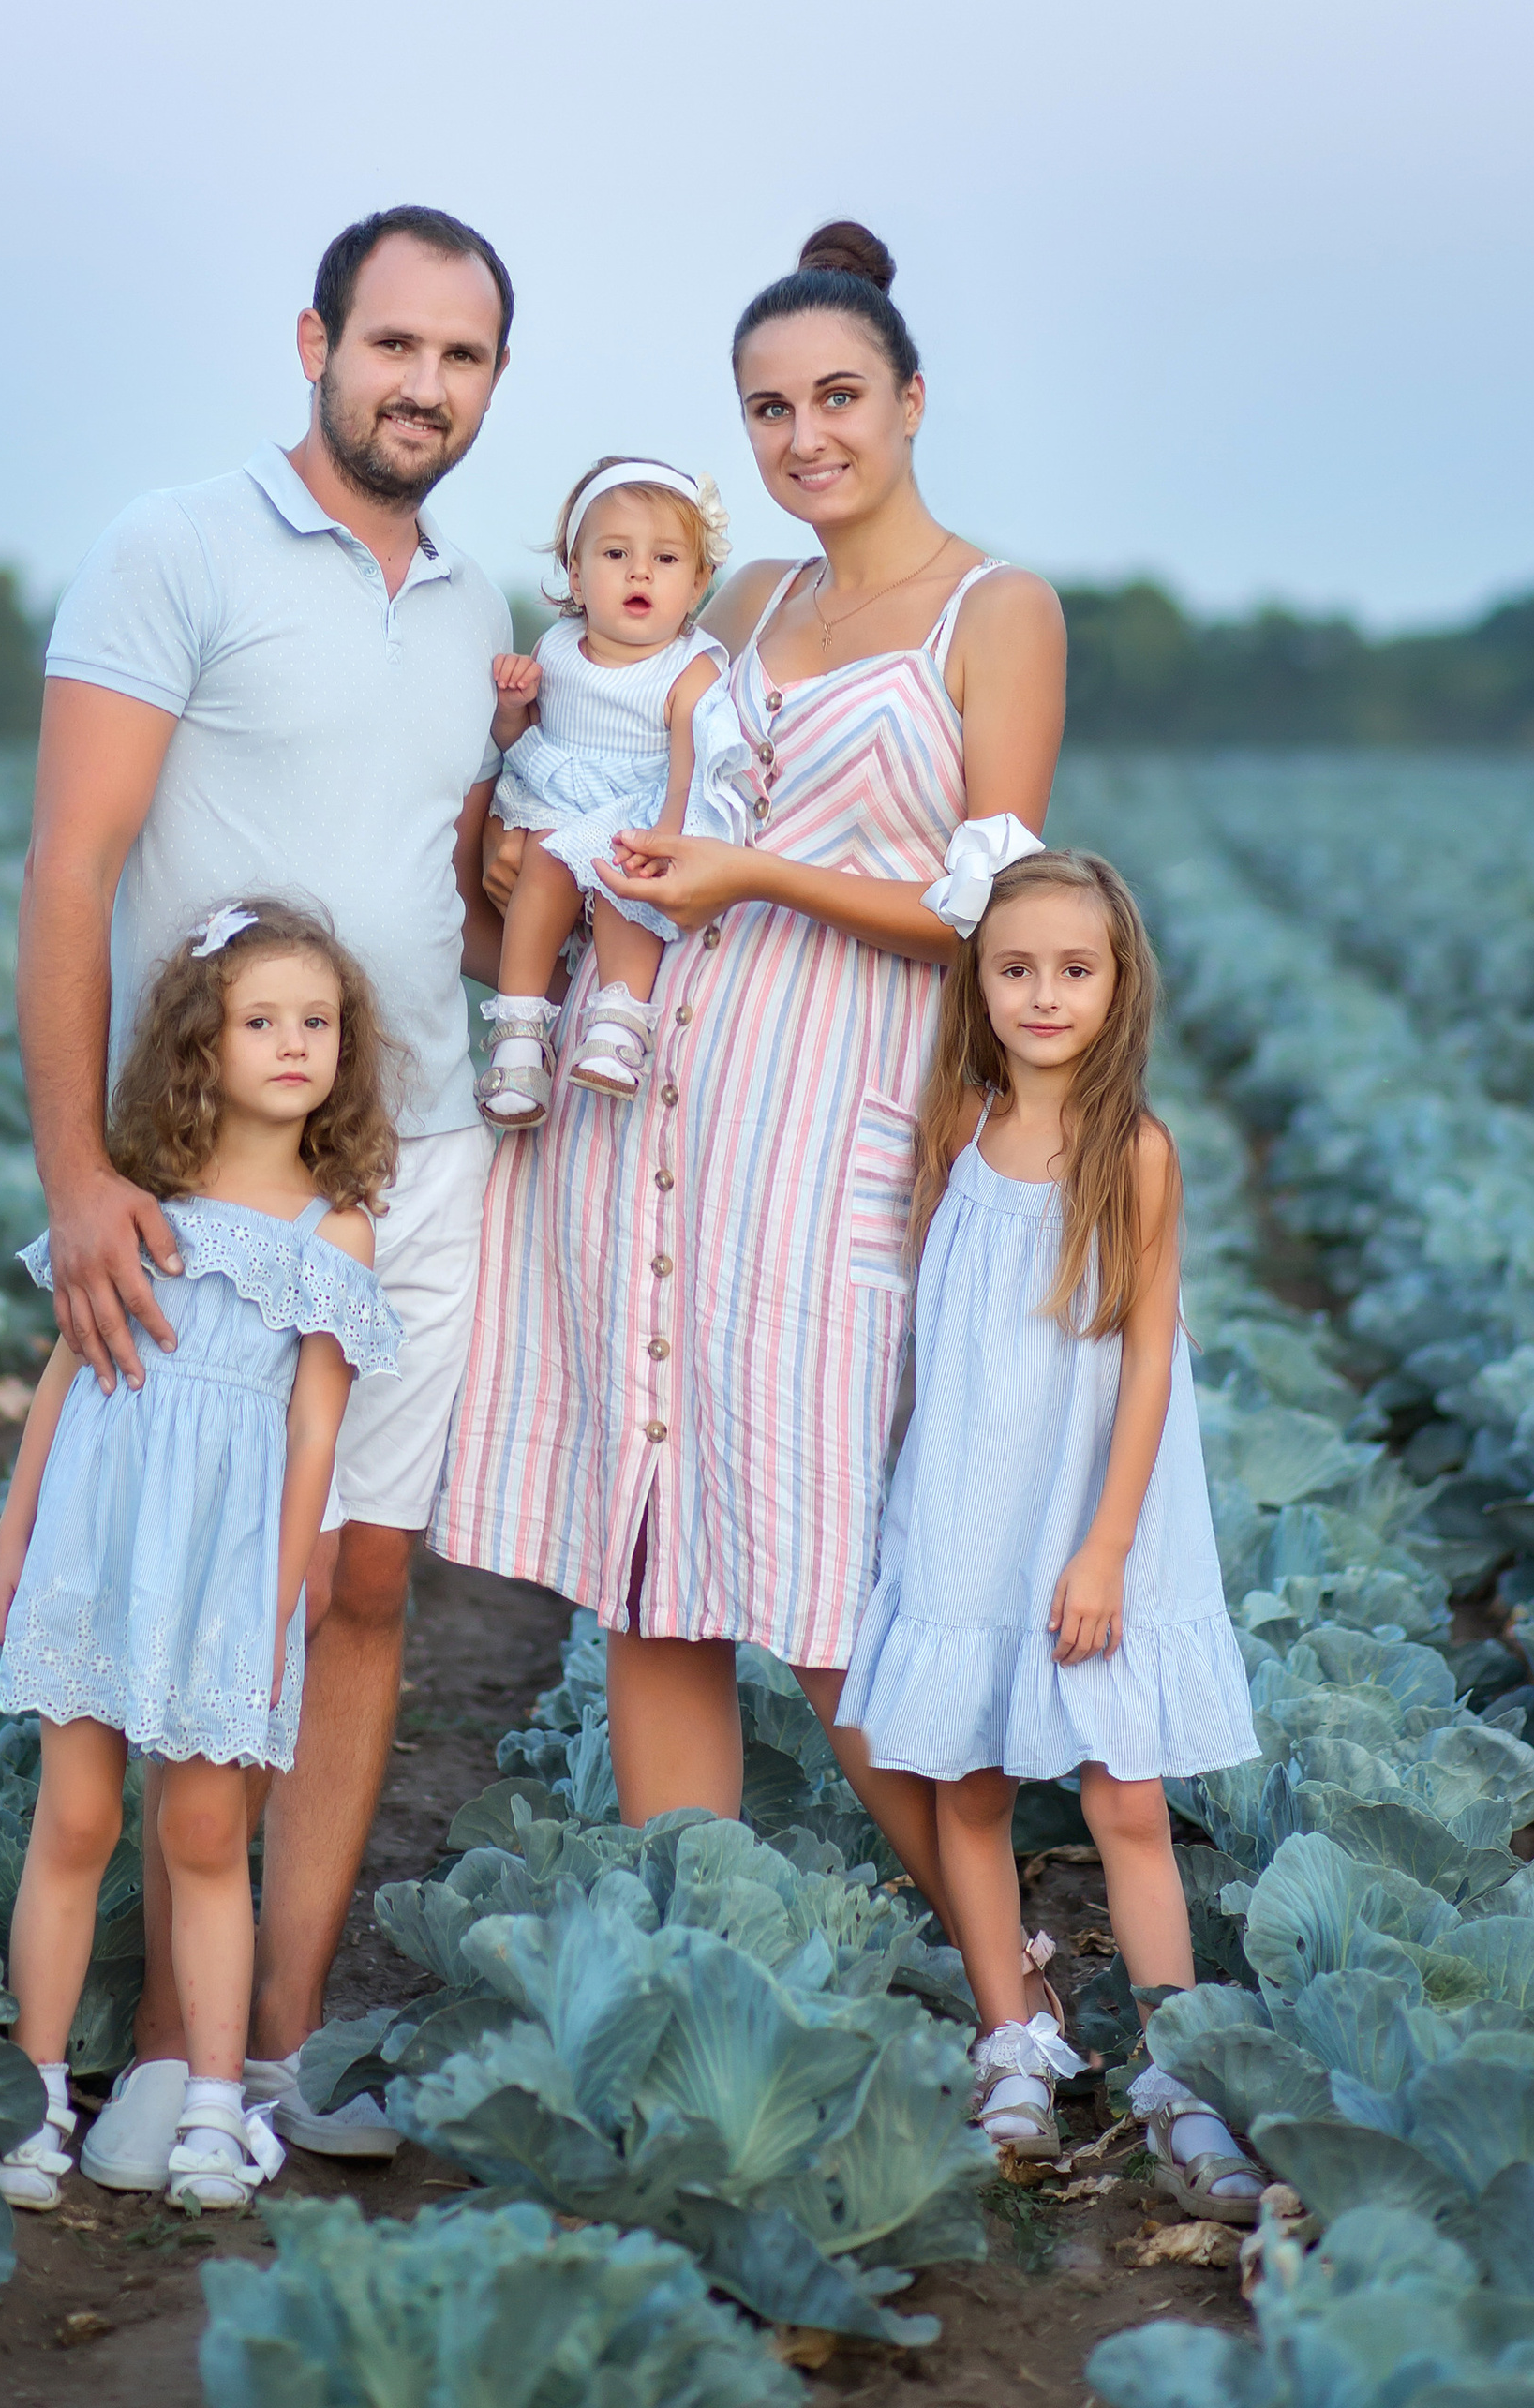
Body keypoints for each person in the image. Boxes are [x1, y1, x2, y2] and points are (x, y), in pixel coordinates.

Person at [434, 220, 1064, 1894]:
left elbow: (1001, 917)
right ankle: (691, 1947)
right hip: (642, 1100)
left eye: (840, 396)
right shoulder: (737, 594)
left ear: (913, 398)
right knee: (652, 1560)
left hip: (828, 1118)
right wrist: (519, 861)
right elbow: (616, 783)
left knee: (828, 1570)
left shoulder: (998, 612)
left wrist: (758, 874)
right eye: (769, 408)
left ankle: (1013, 1984)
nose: (807, 438)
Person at [19, 203, 514, 2189]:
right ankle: (152, 2054)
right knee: (205, 1590)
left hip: (417, 1168)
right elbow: (70, 869)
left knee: (359, 1580)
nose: (421, 385)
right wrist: (77, 1174)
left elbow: (463, 860)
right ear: (314, 338)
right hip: (204, 1187)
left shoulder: (485, 598)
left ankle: (274, 2049)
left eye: (462, 358)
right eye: (391, 343)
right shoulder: (173, 547)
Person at [835, 848, 1264, 2210]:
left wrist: (1107, 1545)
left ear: (1118, 983)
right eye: (1015, 967)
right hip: (968, 1490)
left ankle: (1177, 2066)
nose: (1043, 994)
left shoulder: (1134, 1152)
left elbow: (1149, 1367)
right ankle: (1014, 2033)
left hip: (1085, 1508)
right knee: (966, 1780)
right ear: (978, 978)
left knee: (1120, 1791)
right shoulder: (956, 1129)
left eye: (1074, 970)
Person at [0, 903, 402, 2213]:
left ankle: (218, 2107)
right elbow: (65, 1375)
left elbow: (318, 1428)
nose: (294, 1044)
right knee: (81, 1815)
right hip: (99, 1533)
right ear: (199, 1044)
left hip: (228, 1558)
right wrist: (13, 1539)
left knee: (211, 1825)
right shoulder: (138, 1203)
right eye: (261, 1020)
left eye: (317, 1022)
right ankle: (36, 2092)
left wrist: (280, 1594)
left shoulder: (334, 1230)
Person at [477, 458, 728, 1122]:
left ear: (700, 582)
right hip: (555, 797)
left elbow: (687, 769)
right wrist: (512, 704)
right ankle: (521, 1037)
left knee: (622, 880)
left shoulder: (691, 669)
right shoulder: (557, 647)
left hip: (639, 806)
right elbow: (516, 740)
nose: (640, 571)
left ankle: (619, 1024)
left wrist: (664, 840)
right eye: (616, 553)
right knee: (544, 868)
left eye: (667, 558)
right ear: (577, 574)